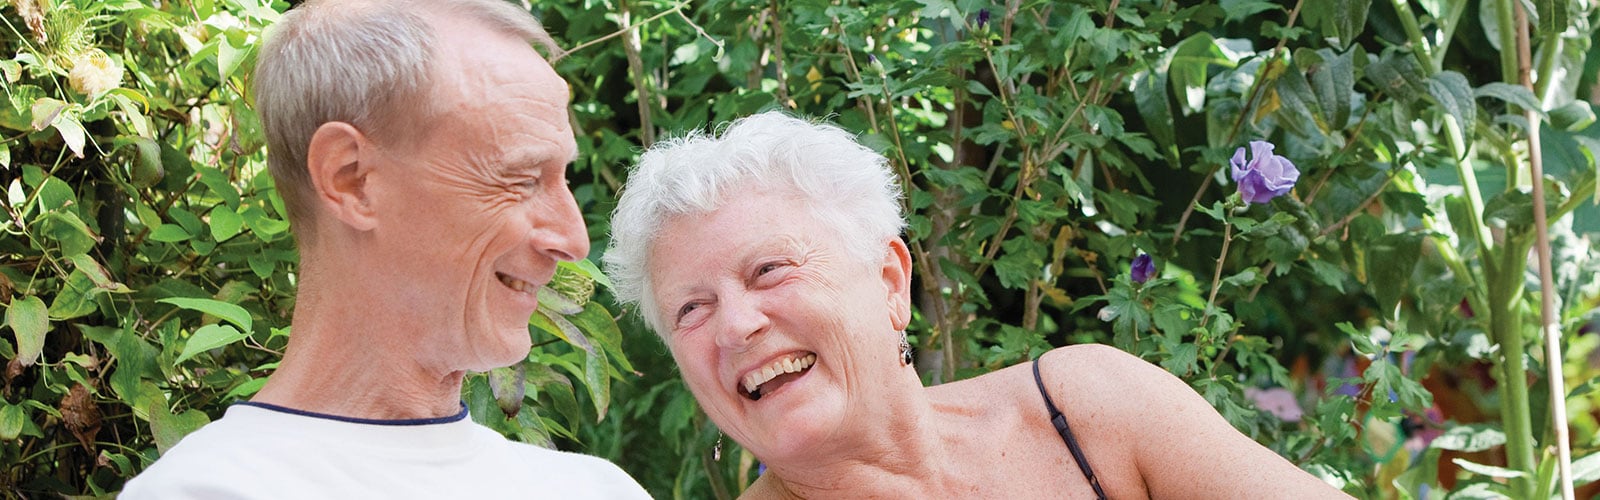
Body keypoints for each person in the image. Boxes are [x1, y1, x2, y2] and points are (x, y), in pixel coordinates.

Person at [602, 111, 1350, 499]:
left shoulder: (1086, 411)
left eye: (768, 270)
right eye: (690, 311)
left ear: (890, 283)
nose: (736, 326)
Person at [120, 0, 650, 497]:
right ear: (352, 179)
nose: (574, 240)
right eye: (522, 177)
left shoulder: (596, 489)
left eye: (564, 174)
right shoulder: (209, 490)